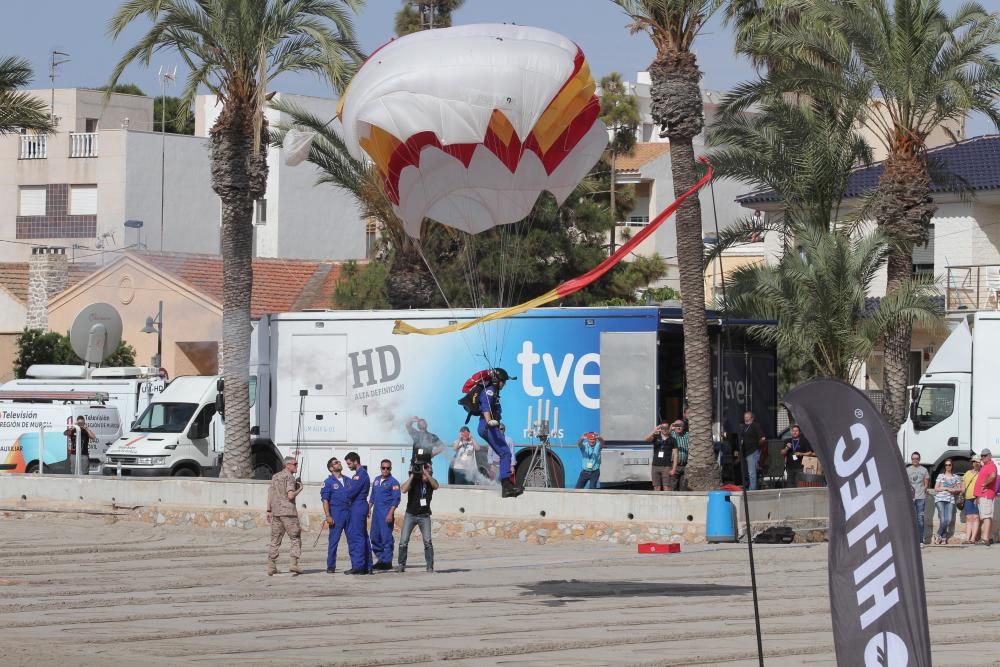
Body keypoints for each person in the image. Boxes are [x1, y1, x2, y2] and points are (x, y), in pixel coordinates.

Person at [478, 368, 521, 498]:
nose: (504, 384)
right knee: (505, 453)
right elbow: (485, 405)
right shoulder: (490, 390)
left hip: (490, 426)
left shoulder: (494, 391)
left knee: (505, 453)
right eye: (503, 381)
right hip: (487, 426)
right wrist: (489, 420)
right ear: (497, 381)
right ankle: (506, 487)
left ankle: (507, 486)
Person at [396, 461, 439, 573]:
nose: (424, 470)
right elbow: (404, 489)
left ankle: (430, 566)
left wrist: (427, 473)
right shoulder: (414, 481)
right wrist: (413, 475)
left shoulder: (431, 482)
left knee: (427, 541)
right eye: (423, 468)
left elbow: (436, 486)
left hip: (424, 516)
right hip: (410, 514)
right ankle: (401, 564)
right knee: (403, 540)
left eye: (427, 468)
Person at [266, 456, 303, 575]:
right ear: (287, 465)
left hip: (276, 512)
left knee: (275, 539)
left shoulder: (275, 476)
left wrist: (268, 510)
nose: (296, 466)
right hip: (289, 512)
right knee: (295, 538)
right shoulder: (289, 477)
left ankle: (271, 565)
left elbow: (270, 493)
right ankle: (294, 564)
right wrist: (300, 489)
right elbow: (291, 496)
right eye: (294, 464)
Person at [343, 452, 373, 574]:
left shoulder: (359, 475)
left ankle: (359, 566)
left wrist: (344, 491)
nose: (348, 466)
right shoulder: (361, 474)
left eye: (349, 463)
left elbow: (350, 492)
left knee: (357, 537)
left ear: (356, 461)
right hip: (359, 505)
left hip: (358, 505)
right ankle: (367, 565)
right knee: (363, 536)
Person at [320, 456, 351, 573]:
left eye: (338, 462)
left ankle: (356, 564)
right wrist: (328, 515)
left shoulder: (348, 480)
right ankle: (331, 566)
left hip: (349, 514)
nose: (339, 463)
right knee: (333, 541)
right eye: (336, 463)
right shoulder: (328, 482)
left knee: (352, 540)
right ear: (331, 468)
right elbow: (325, 500)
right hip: (336, 515)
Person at [369, 459, 400, 571]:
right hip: (376, 514)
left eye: (388, 468)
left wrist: (390, 514)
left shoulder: (394, 482)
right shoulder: (377, 480)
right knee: (374, 537)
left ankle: (387, 562)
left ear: (390, 469)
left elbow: (396, 499)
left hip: (386, 514)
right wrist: (369, 508)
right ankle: (381, 560)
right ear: (380, 468)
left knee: (386, 538)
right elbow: (372, 496)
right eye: (383, 468)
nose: (385, 470)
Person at [932, 459, 962, 545]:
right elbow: (936, 488)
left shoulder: (956, 477)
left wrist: (954, 490)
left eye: (949, 465)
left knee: (948, 520)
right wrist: (946, 488)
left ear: (952, 466)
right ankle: (943, 538)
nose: (948, 466)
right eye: (946, 465)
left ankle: (938, 535)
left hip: (950, 500)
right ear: (944, 466)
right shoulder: (941, 476)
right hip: (940, 499)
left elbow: (959, 489)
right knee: (943, 520)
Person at [738, 411, 767, 491]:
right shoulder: (744, 427)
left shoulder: (755, 425)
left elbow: (762, 438)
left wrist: (758, 444)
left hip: (752, 451)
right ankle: (749, 487)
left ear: (752, 418)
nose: (745, 419)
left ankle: (752, 489)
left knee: (752, 472)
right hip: (745, 452)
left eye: (747, 417)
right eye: (745, 417)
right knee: (747, 472)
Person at [974, 449, 997, 546]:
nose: (982, 457)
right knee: (987, 516)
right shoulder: (985, 466)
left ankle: (985, 538)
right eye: (982, 456)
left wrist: (984, 484)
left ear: (990, 456)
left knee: (986, 516)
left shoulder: (991, 465)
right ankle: (989, 537)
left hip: (986, 495)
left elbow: (993, 476)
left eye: (985, 455)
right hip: (982, 495)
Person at [907, 452, 930, 546]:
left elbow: (926, 482)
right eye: (913, 458)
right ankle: (912, 540)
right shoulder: (907, 470)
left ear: (919, 459)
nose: (915, 460)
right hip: (910, 498)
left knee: (920, 518)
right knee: (911, 519)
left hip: (920, 497)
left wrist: (924, 490)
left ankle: (921, 540)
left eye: (916, 458)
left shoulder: (924, 470)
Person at [646, 423, 674, 491]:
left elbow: (676, 455)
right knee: (656, 487)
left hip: (666, 466)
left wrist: (673, 468)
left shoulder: (672, 439)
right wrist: (654, 430)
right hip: (655, 465)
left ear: (668, 429)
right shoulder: (656, 437)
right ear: (660, 429)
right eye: (662, 428)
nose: (664, 429)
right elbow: (646, 439)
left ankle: (667, 501)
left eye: (666, 428)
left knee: (666, 487)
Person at [962, 455, 982, 544]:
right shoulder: (967, 473)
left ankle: (973, 538)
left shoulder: (981, 473)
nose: (975, 463)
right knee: (969, 517)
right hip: (967, 497)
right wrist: (962, 493)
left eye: (977, 462)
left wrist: (979, 496)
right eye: (973, 462)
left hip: (977, 498)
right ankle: (967, 538)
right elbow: (963, 483)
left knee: (976, 517)